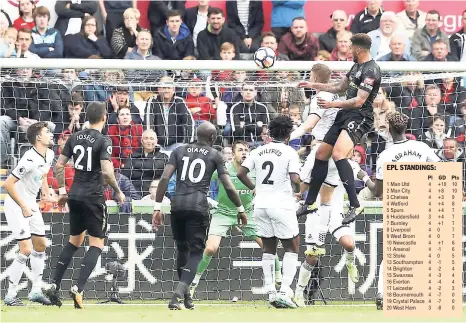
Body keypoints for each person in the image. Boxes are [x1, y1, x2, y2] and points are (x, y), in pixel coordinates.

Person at [152, 122, 247, 310]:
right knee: (196, 252)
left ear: (197, 135)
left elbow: (164, 178)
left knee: (181, 250)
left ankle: (186, 298)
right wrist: (241, 209)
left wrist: (157, 207)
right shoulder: (215, 155)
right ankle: (177, 295)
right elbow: (228, 186)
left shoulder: (179, 151)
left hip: (177, 205)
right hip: (198, 206)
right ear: (213, 138)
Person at [44, 102, 125, 309]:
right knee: (97, 244)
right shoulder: (103, 140)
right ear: (105, 118)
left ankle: (54, 284)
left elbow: (59, 165)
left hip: (75, 195)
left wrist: (62, 191)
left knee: (73, 242)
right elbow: (107, 171)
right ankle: (78, 288)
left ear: (87, 117)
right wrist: (118, 190)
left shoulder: (74, 137)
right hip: (93, 197)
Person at [356, 111, 440, 310]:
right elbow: (439, 170)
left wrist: (363, 177)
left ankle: (382, 293)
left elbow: (378, 191)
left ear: (390, 130)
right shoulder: (422, 147)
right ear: (406, 127)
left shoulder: (386, 155)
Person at [297, 33, 381, 224]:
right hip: (345, 115)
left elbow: (360, 101)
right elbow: (339, 87)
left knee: (339, 154)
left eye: (351, 47)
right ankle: (309, 203)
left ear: (358, 49)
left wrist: (333, 106)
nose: (349, 50)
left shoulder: (371, 71)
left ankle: (355, 204)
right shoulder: (356, 66)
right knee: (321, 154)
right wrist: (313, 84)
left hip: (360, 117)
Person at [189, 141, 282, 296]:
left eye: (246, 150)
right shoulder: (223, 169)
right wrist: (207, 199)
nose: (244, 152)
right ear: (232, 154)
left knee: (268, 245)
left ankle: (278, 274)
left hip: (248, 214)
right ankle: (192, 284)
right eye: (240, 150)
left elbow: (268, 189)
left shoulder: (255, 171)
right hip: (223, 213)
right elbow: (200, 183)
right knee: (211, 248)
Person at [237, 115, 301, 309]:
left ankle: (271, 291)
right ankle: (284, 292)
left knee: (268, 249)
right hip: (281, 204)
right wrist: (302, 186)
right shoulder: (290, 152)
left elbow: (241, 173)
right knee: (292, 247)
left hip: (260, 205)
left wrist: (254, 188)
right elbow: (295, 177)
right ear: (288, 133)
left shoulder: (258, 151)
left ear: (270, 132)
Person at [3, 122, 54, 306]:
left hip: (31, 204)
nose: (50, 134)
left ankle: (35, 290)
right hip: (16, 205)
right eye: (47, 132)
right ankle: (10, 295)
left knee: (40, 245)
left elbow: (44, 174)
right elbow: (8, 184)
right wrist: (23, 205)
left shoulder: (49, 154)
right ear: (38, 137)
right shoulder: (29, 159)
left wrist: (46, 192)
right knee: (26, 249)